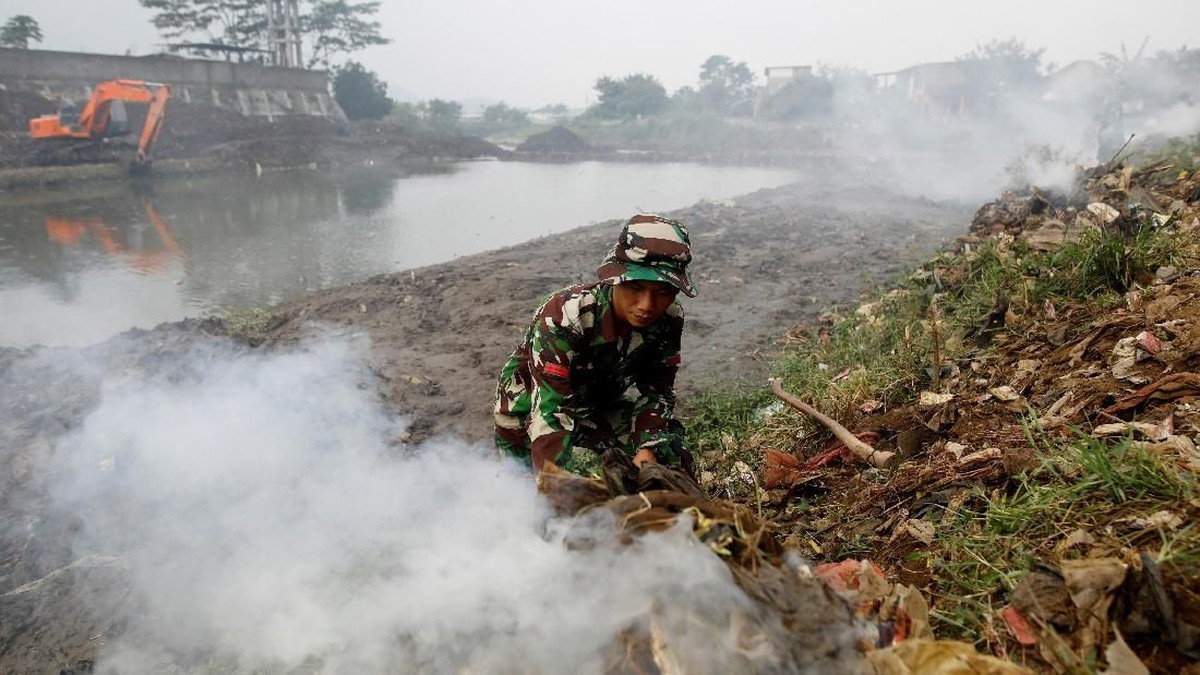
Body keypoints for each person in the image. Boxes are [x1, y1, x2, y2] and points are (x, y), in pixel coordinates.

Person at [493, 213, 697, 476]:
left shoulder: (669, 319)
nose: (647, 306)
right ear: (615, 279)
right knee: (524, 498)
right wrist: (556, 490)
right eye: (635, 287)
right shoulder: (566, 316)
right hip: (530, 411)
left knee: (669, 455)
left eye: (663, 292)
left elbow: (658, 391)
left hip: (596, 406)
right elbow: (551, 412)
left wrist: (648, 449)